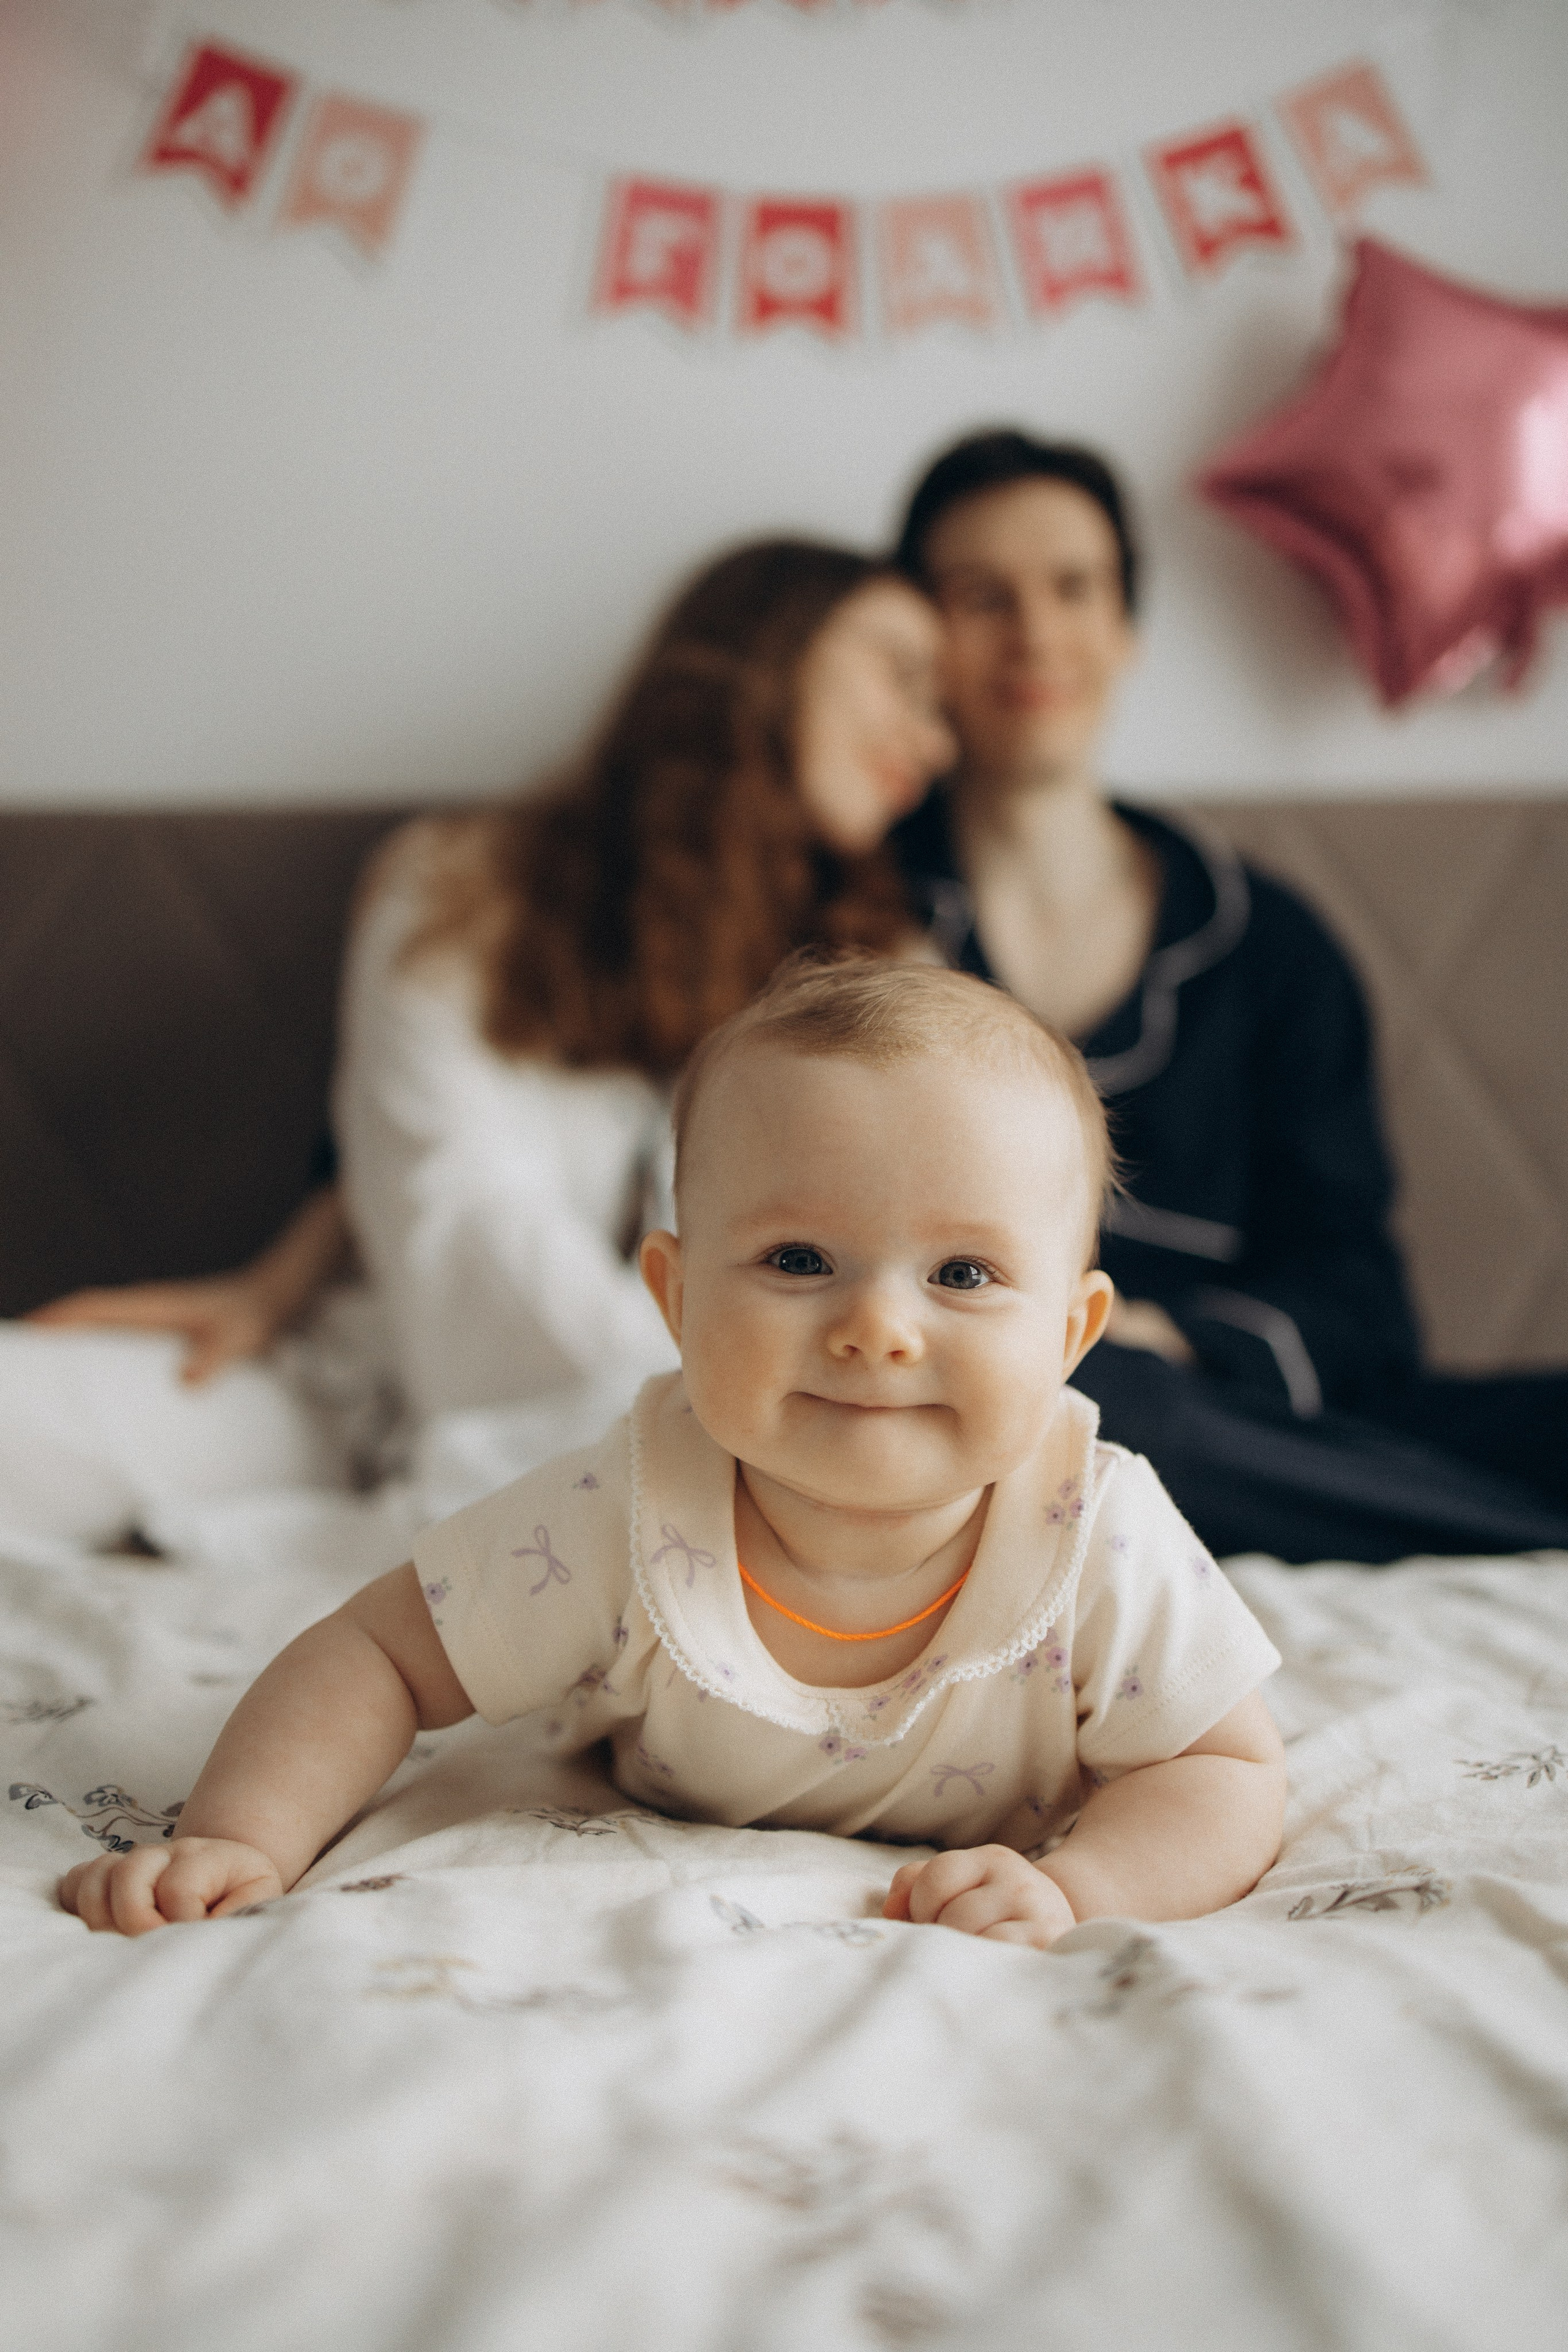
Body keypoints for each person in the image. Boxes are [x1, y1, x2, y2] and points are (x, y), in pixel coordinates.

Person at [59, 958, 1286, 1943]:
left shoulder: (1094, 1532)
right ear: (678, 1296)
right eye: (798, 1260)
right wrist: (240, 1837)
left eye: (963, 1274)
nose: (877, 1328)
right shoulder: (626, 1511)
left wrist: (1079, 1887)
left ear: (1070, 1335)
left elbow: (1226, 1771)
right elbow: (375, 1655)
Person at [0, 540, 954, 1545]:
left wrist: (710, 1412)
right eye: (903, 677)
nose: (935, 744)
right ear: (768, 654)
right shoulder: (462, 886)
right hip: (371, 1389)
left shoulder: (889, 968)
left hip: (729, 1429)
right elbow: (450, 1198)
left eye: (944, 712)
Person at [891, 429, 1568, 1564]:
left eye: (1074, 587)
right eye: (981, 596)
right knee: (1096, 1400)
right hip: (1020, 1407)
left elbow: (1360, 1301)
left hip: (1254, 1405)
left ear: (1127, 628)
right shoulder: (854, 934)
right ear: (919, 636)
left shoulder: (1270, 943)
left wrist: (1179, 1337)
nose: (1035, 633)